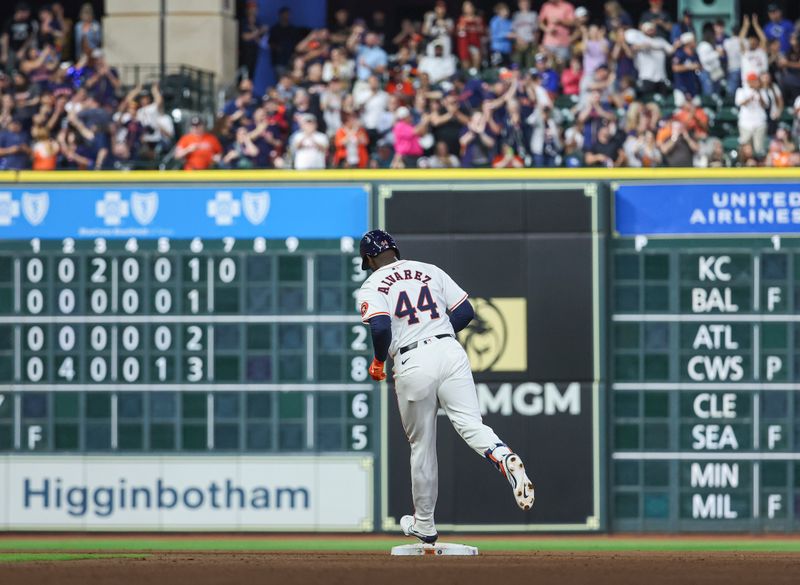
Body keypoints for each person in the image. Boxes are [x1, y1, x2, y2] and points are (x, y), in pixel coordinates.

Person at [356, 229, 535, 544]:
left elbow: (381, 326)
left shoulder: (371, 285)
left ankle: (424, 524)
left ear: (369, 259)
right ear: (396, 250)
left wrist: (379, 361)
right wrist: (437, 332)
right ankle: (503, 456)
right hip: (450, 351)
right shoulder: (429, 270)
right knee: (470, 424)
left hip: (413, 361)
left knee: (422, 445)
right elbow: (466, 311)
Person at [489, 3, 514, 67]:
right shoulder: (494, 21)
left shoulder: (509, 22)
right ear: (499, 11)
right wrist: (506, 35)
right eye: (504, 10)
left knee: (506, 69)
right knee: (496, 67)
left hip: (507, 50)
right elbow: (494, 35)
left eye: (507, 10)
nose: (506, 11)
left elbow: (512, 34)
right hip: (496, 49)